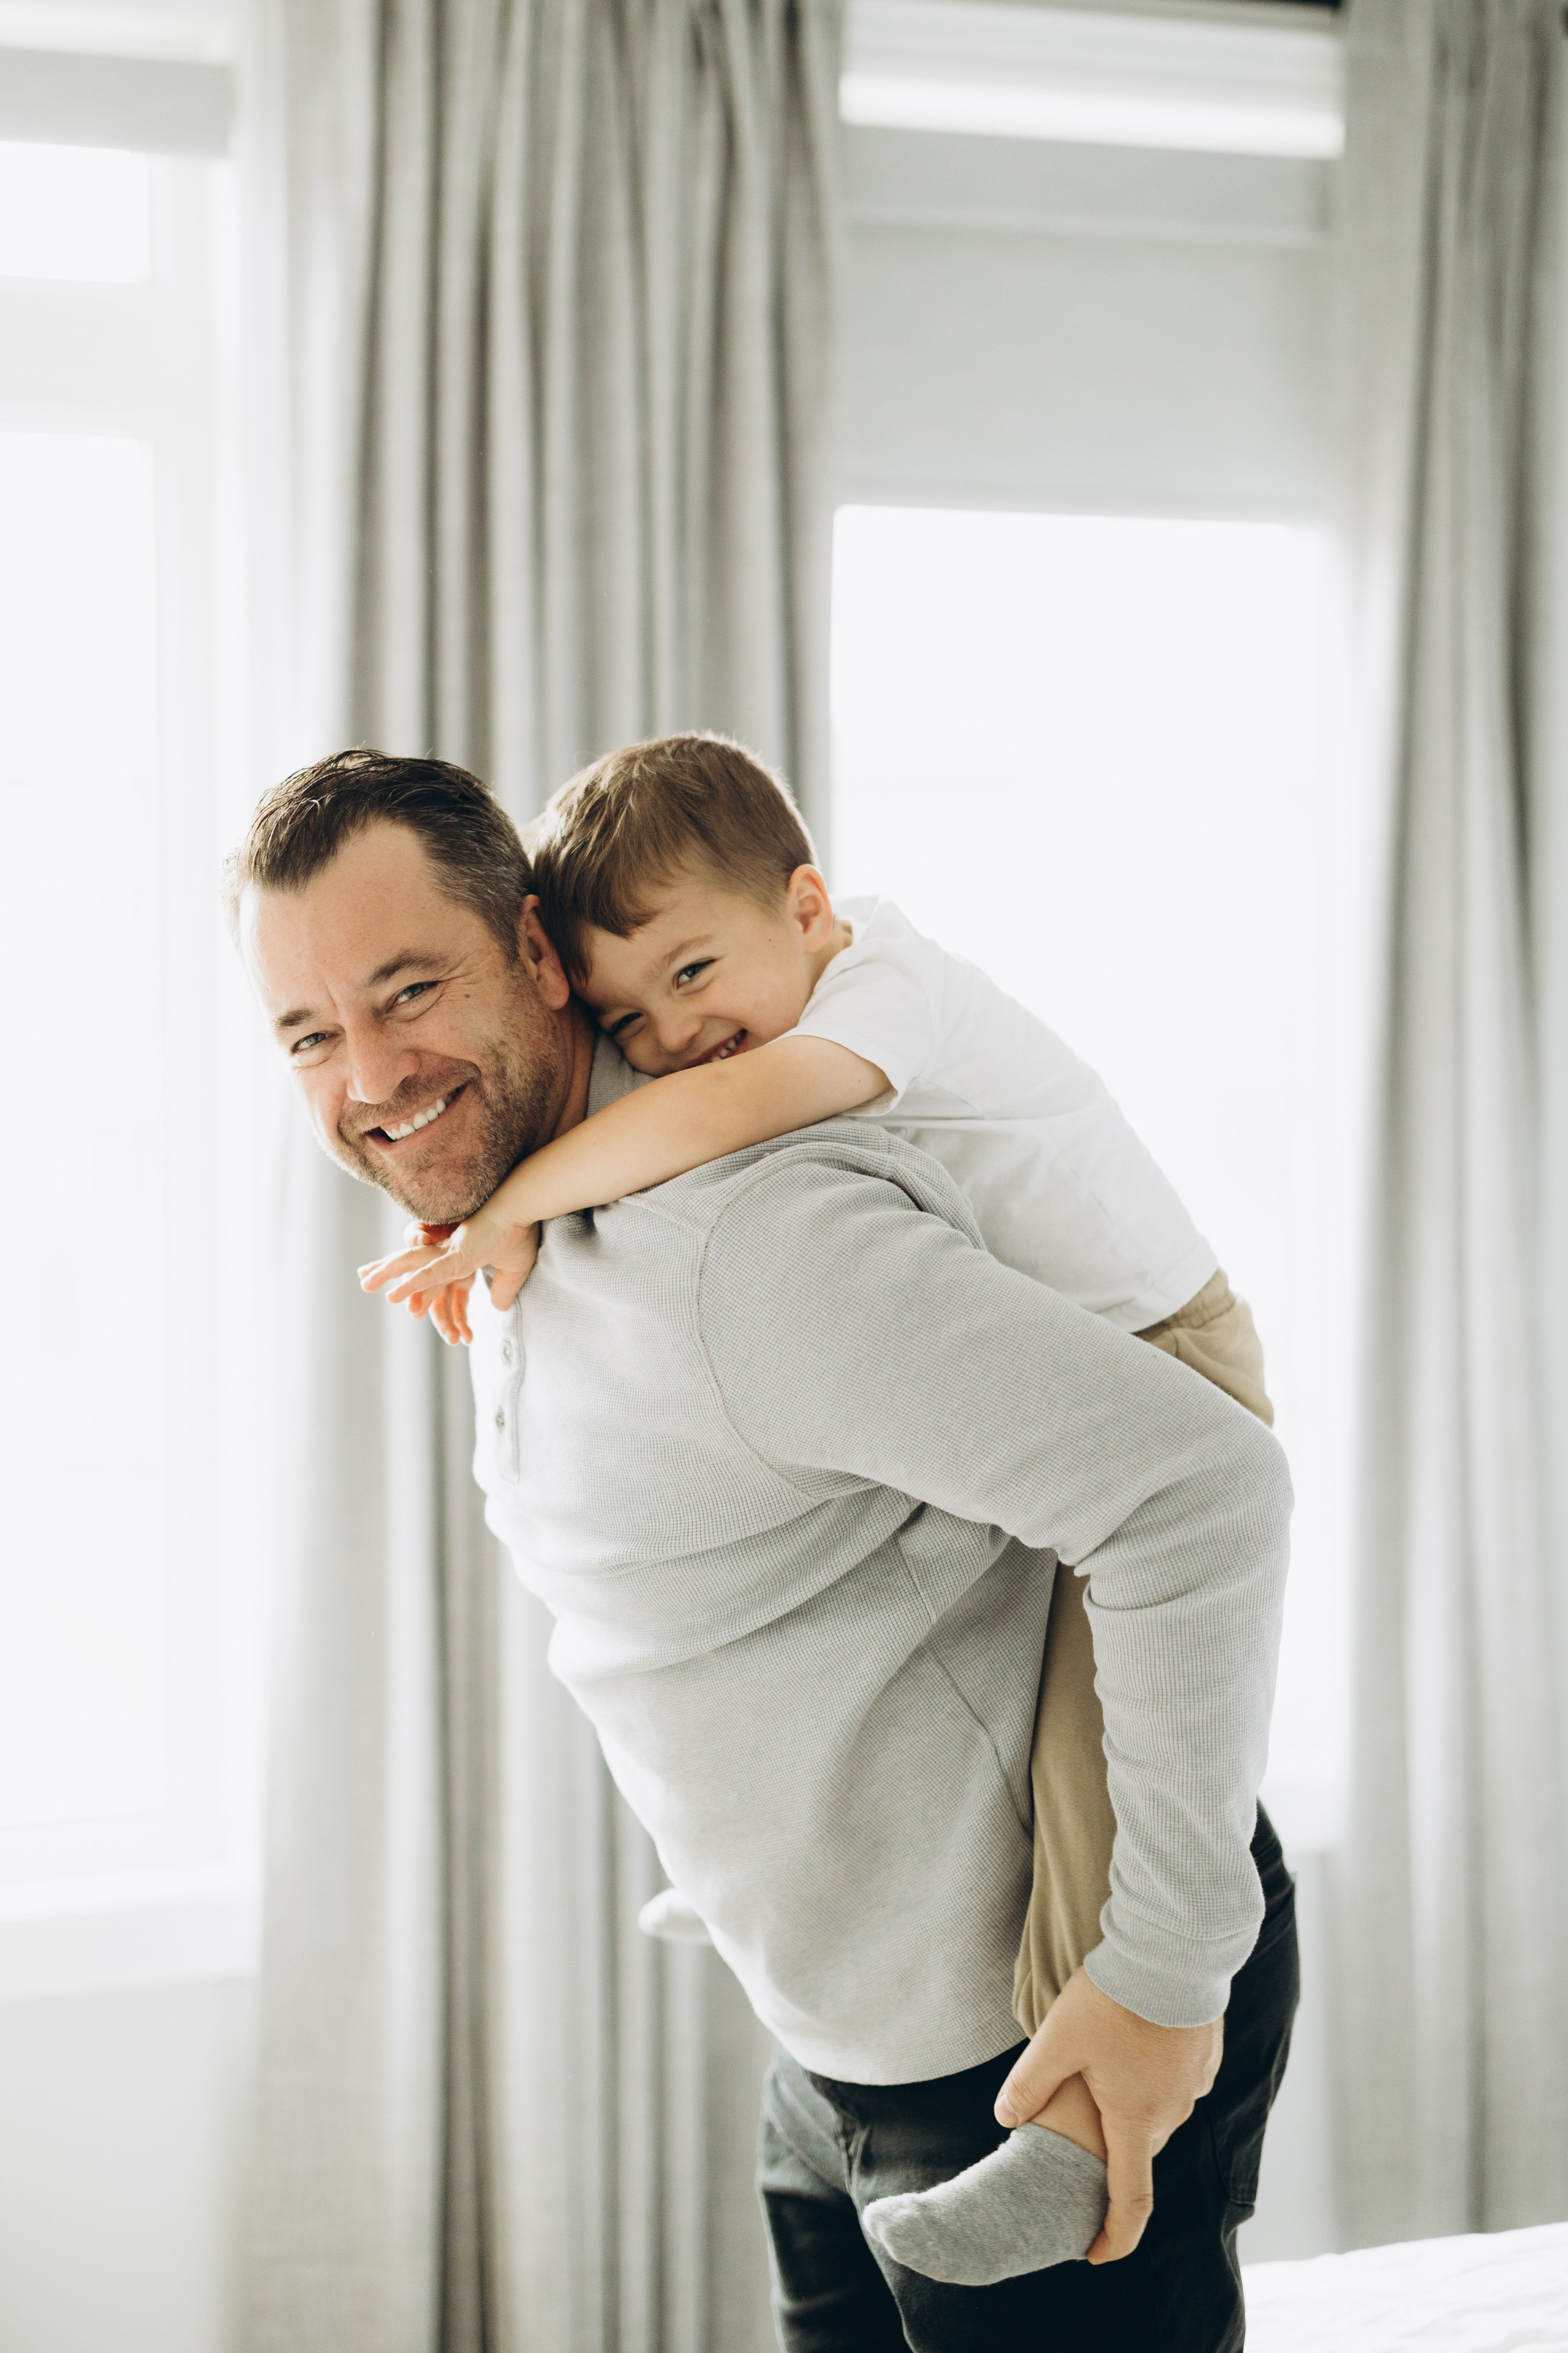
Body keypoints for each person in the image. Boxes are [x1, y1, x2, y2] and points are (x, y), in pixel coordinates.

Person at [232, 745, 1297, 2353]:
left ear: (533, 951)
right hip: (830, 2061)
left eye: (408, 990)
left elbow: (1204, 1490)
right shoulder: (517, 1226)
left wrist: (1158, 1980)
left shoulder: (743, 1239)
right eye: (311, 1032)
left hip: (1035, 2050)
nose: (369, 1073)